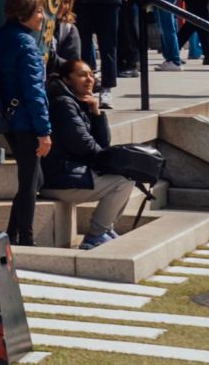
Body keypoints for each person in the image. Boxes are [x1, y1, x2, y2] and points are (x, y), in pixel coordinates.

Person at [45, 56, 142, 248]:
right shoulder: (63, 104)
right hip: (59, 178)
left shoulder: (78, 102)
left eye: (91, 74)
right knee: (124, 181)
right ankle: (95, 235)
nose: (89, 79)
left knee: (126, 176)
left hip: (73, 173)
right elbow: (83, 144)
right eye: (82, 75)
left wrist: (97, 113)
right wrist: (108, 162)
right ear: (66, 80)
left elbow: (103, 142)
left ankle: (104, 229)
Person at [0, 0, 53, 250]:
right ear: (23, 13)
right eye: (39, 11)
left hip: (8, 116)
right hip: (26, 120)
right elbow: (34, 91)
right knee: (29, 180)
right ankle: (25, 238)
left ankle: (12, 232)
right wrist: (44, 130)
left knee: (33, 178)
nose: (43, 17)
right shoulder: (26, 44)